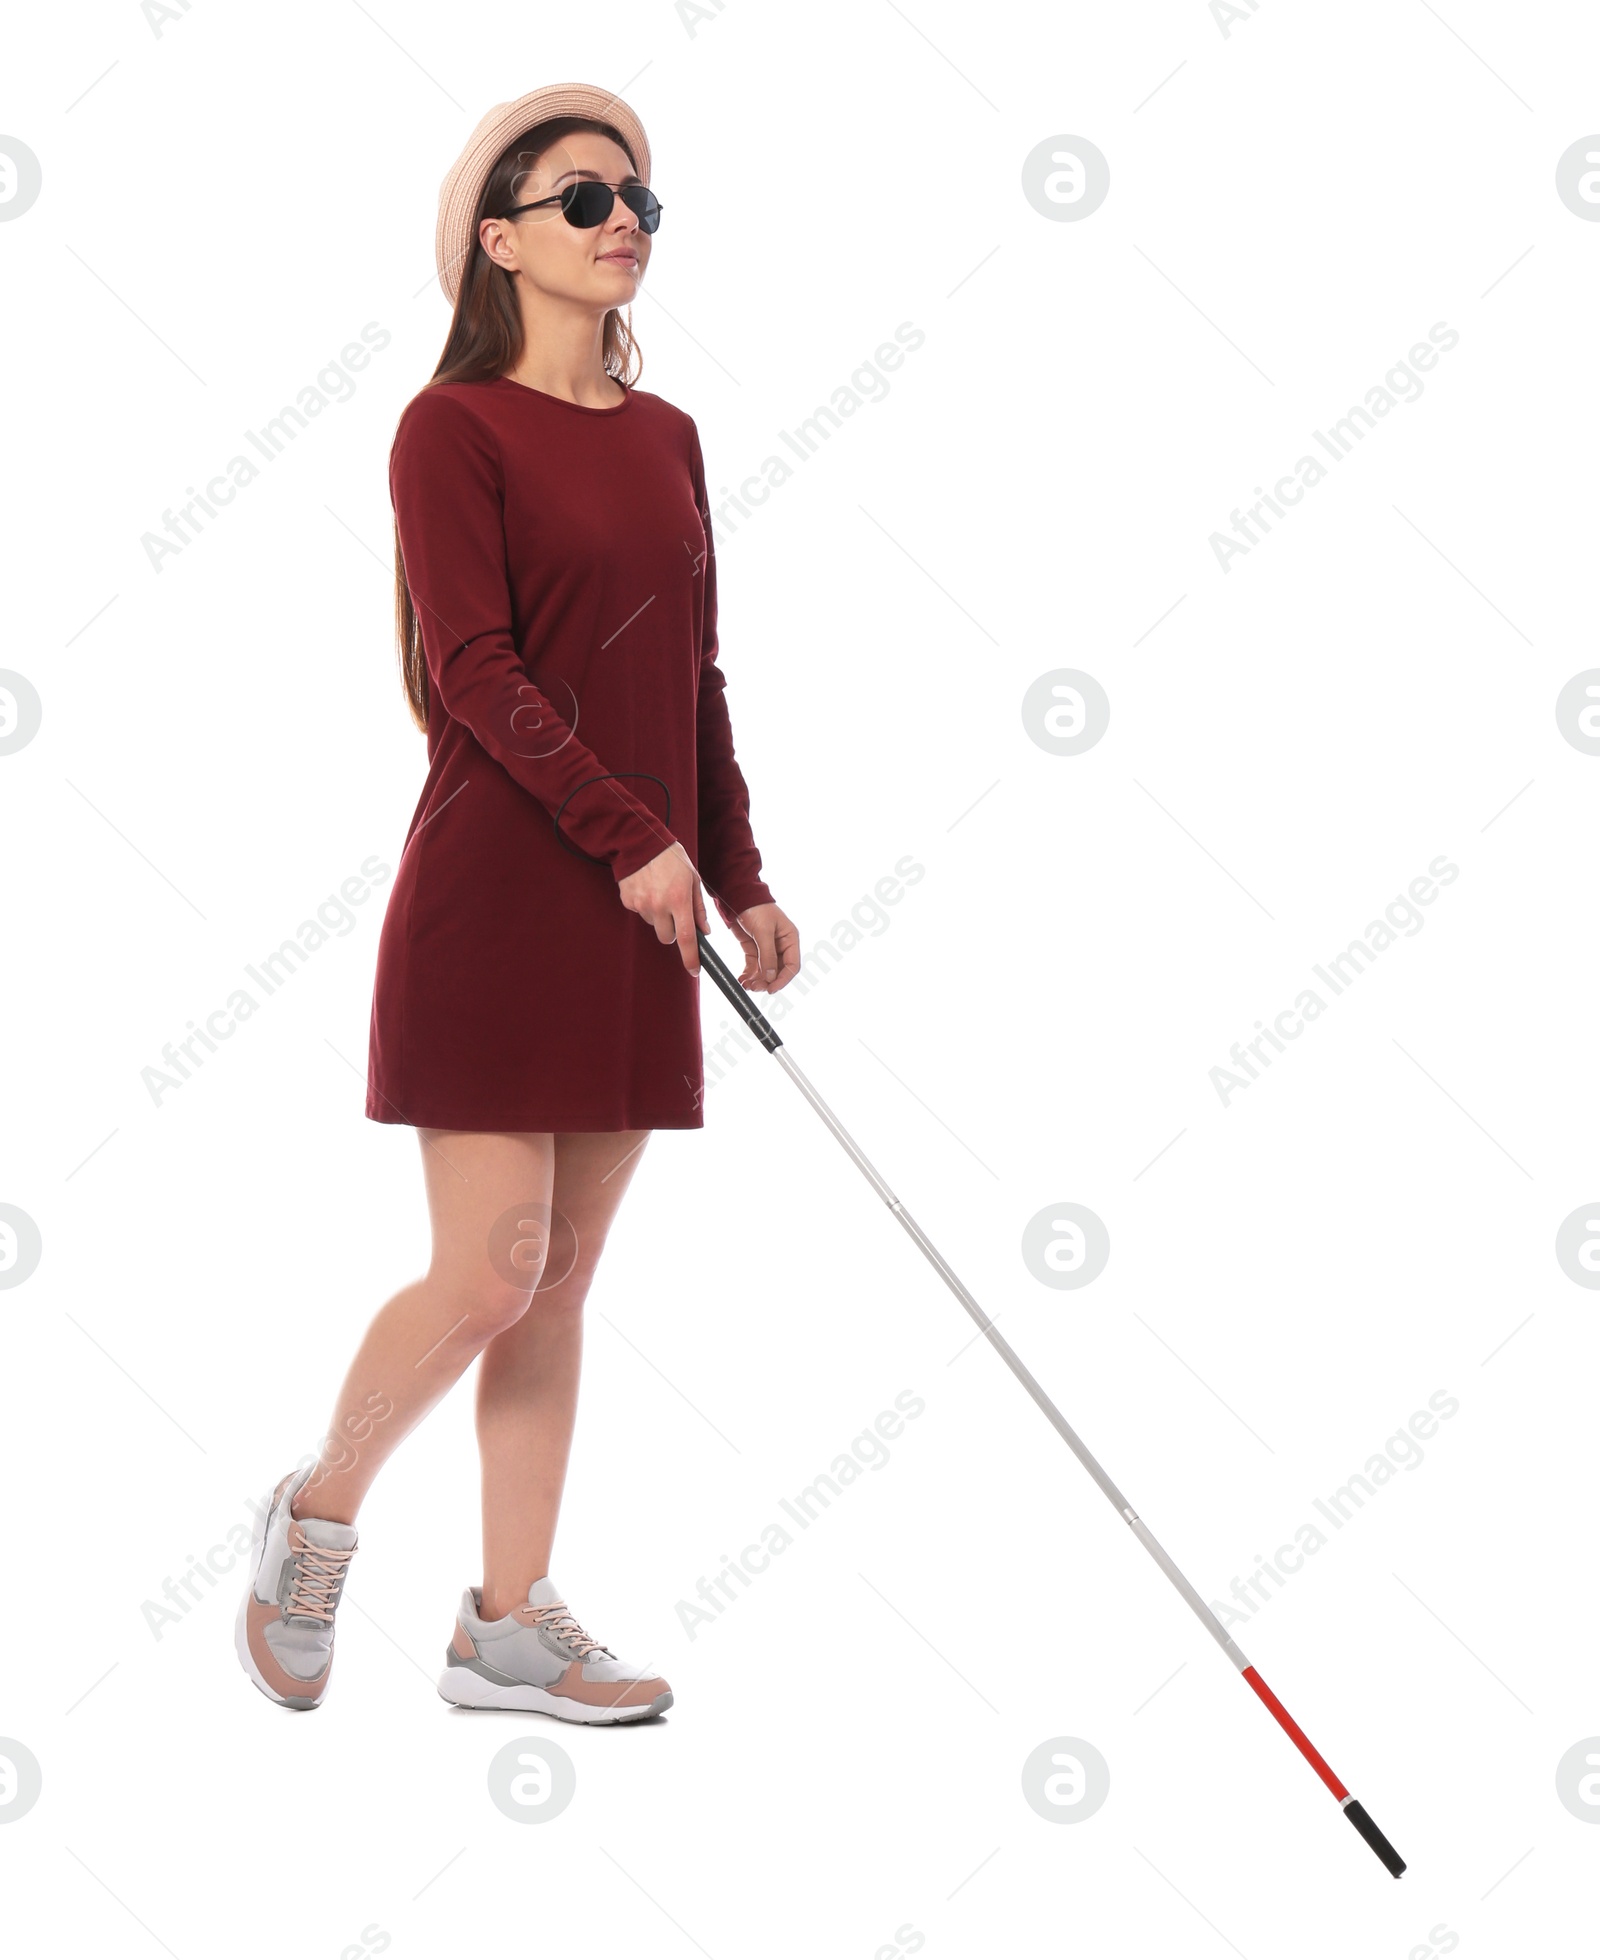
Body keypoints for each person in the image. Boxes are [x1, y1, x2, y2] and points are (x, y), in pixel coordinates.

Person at [235, 83, 800, 1721]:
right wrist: (635, 833)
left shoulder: (672, 435)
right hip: (510, 897)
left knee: (559, 1282)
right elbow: (473, 671)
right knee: (490, 1267)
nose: (624, 216)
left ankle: (505, 1623)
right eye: (581, 198)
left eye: (638, 197)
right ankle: (318, 1513)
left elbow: (692, 675)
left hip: (644, 904)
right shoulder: (450, 430)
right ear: (499, 241)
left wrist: (740, 869)